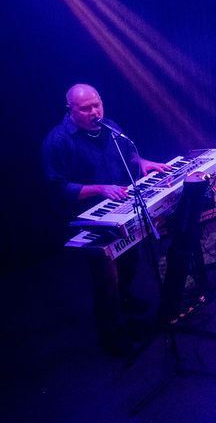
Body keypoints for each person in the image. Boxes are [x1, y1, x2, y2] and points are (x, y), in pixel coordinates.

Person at [42, 84, 171, 355]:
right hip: (86, 217)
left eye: (97, 105)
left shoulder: (110, 127)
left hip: (119, 208)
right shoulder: (58, 141)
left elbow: (129, 156)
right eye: (85, 108)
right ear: (70, 110)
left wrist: (144, 163)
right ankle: (111, 334)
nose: (94, 112)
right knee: (106, 276)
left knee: (130, 258)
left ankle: (125, 301)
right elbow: (57, 187)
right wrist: (99, 188)